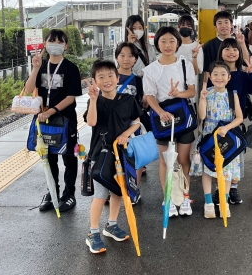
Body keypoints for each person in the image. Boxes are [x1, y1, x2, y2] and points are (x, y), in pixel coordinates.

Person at [84, 60, 142, 254]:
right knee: (101, 195)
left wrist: (126, 134)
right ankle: (93, 232)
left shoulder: (128, 99)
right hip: (100, 154)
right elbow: (91, 122)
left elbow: (136, 121)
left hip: (121, 154)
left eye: (110, 75)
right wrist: (93, 100)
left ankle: (111, 224)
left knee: (118, 192)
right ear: (95, 81)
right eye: (101, 77)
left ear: (118, 78)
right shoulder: (95, 100)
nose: (107, 80)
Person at [25, 29, 82, 213]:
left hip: (65, 120)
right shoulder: (41, 66)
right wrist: (35, 68)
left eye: (60, 41)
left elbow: (71, 98)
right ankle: (52, 191)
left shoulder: (71, 68)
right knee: (48, 158)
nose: (55, 44)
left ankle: (69, 193)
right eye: (51, 41)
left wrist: (51, 111)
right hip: (44, 122)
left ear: (66, 46)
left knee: (69, 157)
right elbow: (28, 89)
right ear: (45, 44)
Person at [143, 26, 196, 217]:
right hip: (162, 118)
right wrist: (160, 111)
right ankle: (168, 198)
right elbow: (149, 96)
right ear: (157, 43)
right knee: (166, 161)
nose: (168, 45)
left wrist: (178, 93)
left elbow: (192, 91)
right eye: (163, 41)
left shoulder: (185, 64)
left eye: (172, 41)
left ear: (178, 43)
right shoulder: (150, 70)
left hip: (183, 116)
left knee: (183, 160)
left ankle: (184, 196)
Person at [216, 37, 252, 204]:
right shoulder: (216, 73)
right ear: (221, 53)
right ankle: (219, 188)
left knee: (237, 157)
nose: (231, 52)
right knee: (218, 156)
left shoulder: (243, 75)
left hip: (236, 123)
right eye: (227, 49)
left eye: (235, 49)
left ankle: (234, 187)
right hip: (217, 123)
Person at [195, 62, 243, 219]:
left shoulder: (232, 94)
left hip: (226, 137)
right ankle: (208, 202)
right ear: (210, 77)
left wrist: (227, 128)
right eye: (215, 74)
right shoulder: (206, 93)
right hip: (209, 136)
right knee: (208, 169)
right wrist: (202, 99)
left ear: (229, 77)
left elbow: (239, 117)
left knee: (227, 170)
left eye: (223, 74)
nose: (219, 77)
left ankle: (224, 201)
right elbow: (202, 116)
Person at [115, 41, 146, 197]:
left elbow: (143, 103)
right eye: (122, 55)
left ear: (135, 59)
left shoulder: (139, 80)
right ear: (117, 57)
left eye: (131, 56)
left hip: (133, 124)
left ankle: (133, 190)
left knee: (135, 158)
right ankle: (115, 190)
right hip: (114, 124)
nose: (126, 59)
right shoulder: (110, 77)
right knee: (115, 158)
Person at [125, 14, 157, 87]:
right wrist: (129, 45)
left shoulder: (149, 48)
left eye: (140, 28)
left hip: (147, 82)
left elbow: (154, 66)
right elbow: (121, 66)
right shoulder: (122, 47)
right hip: (131, 82)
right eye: (134, 28)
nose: (138, 31)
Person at [202, 10, 234, 82]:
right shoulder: (208, 46)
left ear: (231, 25)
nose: (223, 25)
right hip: (216, 83)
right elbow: (207, 70)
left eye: (226, 22)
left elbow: (245, 64)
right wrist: (205, 85)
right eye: (220, 23)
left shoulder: (238, 43)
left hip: (235, 80)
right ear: (215, 27)